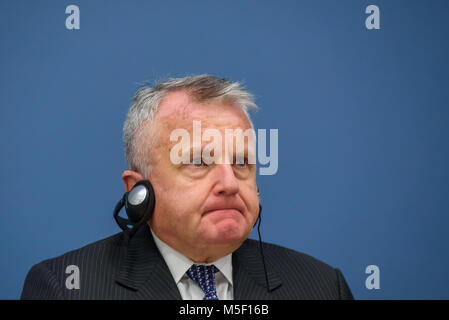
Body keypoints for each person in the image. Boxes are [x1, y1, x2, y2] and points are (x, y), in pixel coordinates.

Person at [21, 75, 353, 300]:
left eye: (241, 164)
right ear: (139, 192)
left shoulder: (322, 287)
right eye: (198, 162)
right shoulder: (66, 287)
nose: (229, 184)